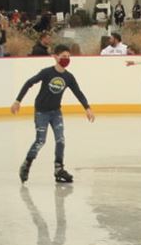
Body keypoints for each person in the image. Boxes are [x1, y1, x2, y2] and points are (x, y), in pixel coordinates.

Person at [12, 48, 94, 184]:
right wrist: (18, 100)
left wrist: (87, 108)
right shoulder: (47, 72)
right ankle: (26, 164)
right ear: (55, 57)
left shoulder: (68, 77)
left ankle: (58, 168)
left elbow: (78, 93)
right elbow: (29, 83)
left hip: (56, 112)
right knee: (40, 141)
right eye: (63, 56)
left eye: (68, 56)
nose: (66, 59)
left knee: (60, 140)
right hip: (41, 112)